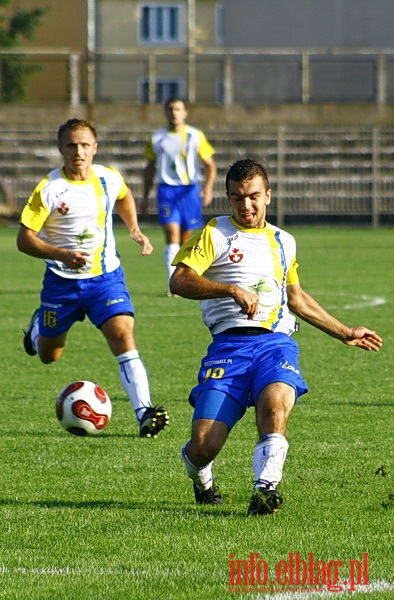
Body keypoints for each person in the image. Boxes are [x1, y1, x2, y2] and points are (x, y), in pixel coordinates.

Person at [169, 158, 382, 515]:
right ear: (228, 198)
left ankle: (265, 489)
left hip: (274, 343)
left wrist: (345, 332)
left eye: (253, 196)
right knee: (204, 445)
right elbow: (179, 281)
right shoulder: (216, 233)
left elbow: (296, 298)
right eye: (237, 197)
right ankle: (202, 477)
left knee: (275, 405)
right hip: (228, 347)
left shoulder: (285, 241)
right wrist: (230, 289)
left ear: (268, 195)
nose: (246, 205)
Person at [17, 118, 169, 438]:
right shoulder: (49, 188)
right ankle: (36, 332)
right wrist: (61, 254)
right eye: (71, 145)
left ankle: (144, 412)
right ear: (61, 148)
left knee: (122, 334)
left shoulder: (108, 178)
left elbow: (125, 197)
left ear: (95, 148)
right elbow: (24, 239)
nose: (78, 151)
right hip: (61, 281)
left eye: (85, 145)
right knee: (48, 355)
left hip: (105, 279)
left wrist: (134, 228)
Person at [141, 97, 217, 293]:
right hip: (166, 190)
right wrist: (144, 196)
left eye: (178, 109)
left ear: (185, 113)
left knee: (185, 240)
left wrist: (207, 188)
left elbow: (210, 165)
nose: (174, 113)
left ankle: (183, 280)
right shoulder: (157, 138)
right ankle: (170, 285)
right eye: (171, 109)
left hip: (190, 191)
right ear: (165, 113)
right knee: (172, 235)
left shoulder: (195, 136)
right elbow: (149, 168)